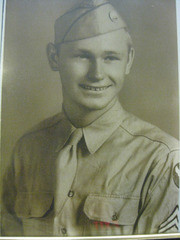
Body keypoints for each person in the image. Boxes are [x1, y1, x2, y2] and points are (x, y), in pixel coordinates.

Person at [1, 0, 179, 237]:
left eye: (110, 58)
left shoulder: (161, 159)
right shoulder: (28, 148)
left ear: (129, 60)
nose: (96, 74)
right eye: (82, 56)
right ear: (54, 57)